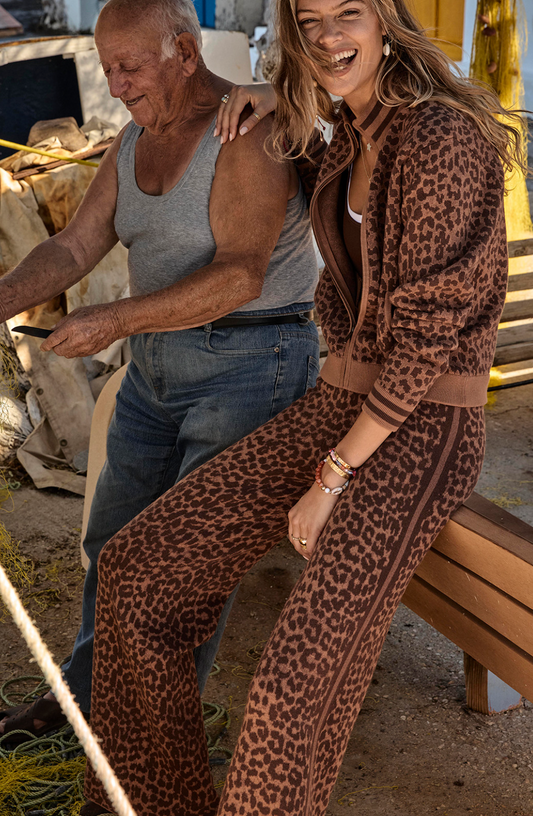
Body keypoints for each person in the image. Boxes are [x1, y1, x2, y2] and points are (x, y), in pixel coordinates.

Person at [82, 0, 523, 813]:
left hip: (423, 422)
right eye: (308, 19)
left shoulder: (440, 138)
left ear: (385, 20)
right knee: (137, 574)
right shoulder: (345, 137)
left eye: (347, 12)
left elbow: (425, 343)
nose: (326, 35)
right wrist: (277, 98)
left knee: (294, 679)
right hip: (342, 400)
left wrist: (331, 478)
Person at [0, 0, 321, 741]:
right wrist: (4, 297)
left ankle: (145, 742)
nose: (115, 85)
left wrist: (113, 320)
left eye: (129, 66)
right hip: (156, 366)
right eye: (107, 67)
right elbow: (73, 248)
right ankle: (84, 705)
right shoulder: (131, 142)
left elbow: (240, 276)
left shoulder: (246, 132)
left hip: (251, 364)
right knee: (112, 546)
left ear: (184, 51)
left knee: (180, 570)